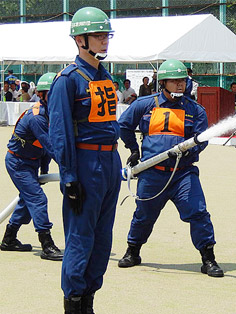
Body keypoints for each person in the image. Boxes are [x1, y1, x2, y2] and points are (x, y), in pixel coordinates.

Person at [117, 59, 224, 278]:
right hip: (151, 174)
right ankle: (133, 252)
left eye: (182, 80)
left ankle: (208, 259)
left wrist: (190, 152)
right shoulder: (145, 104)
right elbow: (124, 126)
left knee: (198, 212)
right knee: (143, 215)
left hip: (183, 174)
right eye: (174, 81)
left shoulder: (195, 110)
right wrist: (134, 150)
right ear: (163, 82)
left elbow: (201, 140)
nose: (179, 85)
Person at [47, 7, 122, 313]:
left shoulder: (105, 75)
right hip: (86, 164)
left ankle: (89, 300)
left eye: (106, 35)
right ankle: (74, 302)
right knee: (80, 237)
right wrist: (68, 175)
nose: (104, 41)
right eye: (98, 36)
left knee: (103, 239)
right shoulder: (68, 80)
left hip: (110, 162)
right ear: (80, 39)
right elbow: (60, 132)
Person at [2, 72, 63, 262]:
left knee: (27, 200)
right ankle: (46, 244)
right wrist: (68, 166)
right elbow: (50, 146)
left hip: (31, 162)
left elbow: (45, 150)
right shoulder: (37, 117)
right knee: (37, 199)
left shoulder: (51, 112)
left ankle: (9, 239)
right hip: (18, 163)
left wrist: (44, 171)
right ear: (44, 95)